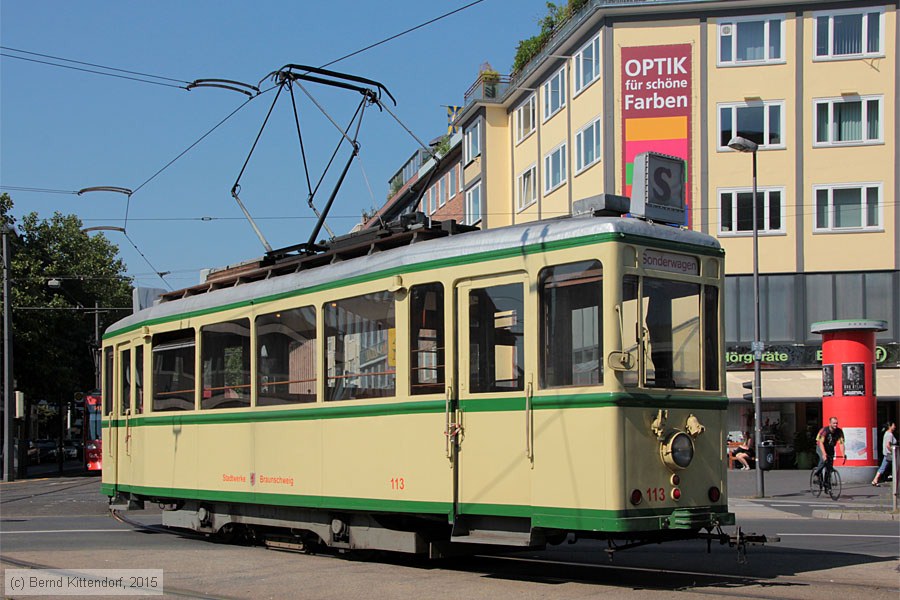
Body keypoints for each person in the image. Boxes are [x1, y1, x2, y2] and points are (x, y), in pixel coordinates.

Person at [813, 416, 845, 491]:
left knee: (829, 466)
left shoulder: (839, 432)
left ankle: (827, 483)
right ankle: (817, 473)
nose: (835, 425)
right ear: (829, 423)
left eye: (836, 423)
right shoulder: (825, 431)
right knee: (823, 459)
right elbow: (820, 443)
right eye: (834, 423)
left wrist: (843, 455)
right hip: (821, 446)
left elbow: (841, 443)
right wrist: (824, 454)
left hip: (830, 448)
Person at [872, 421, 897, 487]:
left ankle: (875, 480)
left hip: (887, 454)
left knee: (882, 468)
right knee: (896, 466)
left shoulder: (887, 433)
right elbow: (888, 445)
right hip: (890, 454)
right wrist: (894, 451)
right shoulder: (889, 434)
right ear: (890, 426)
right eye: (893, 425)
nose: (895, 427)